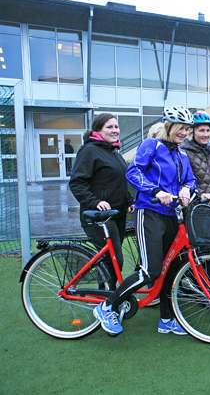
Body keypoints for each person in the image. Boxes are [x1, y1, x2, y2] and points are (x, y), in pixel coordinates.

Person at [93, 106, 197, 337]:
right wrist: (156, 191)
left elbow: (190, 179)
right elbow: (134, 173)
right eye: (181, 128)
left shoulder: (181, 153)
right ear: (169, 126)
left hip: (173, 215)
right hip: (149, 212)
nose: (184, 133)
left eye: (187, 129)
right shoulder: (152, 145)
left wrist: (187, 190)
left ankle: (167, 320)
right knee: (150, 269)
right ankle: (108, 305)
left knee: (171, 270)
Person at [69, 113, 131, 282]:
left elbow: (117, 181)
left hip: (116, 214)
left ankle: (105, 295)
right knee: (114, 260)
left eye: (116, 126)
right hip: (98, 217)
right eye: (109, 127)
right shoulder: (89, 150)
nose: (115, 130)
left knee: (110, 260)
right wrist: (95, 202)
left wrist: (129, 201)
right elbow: (77, 183)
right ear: (98, 130)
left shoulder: (114, 152)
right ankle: (108, 301)